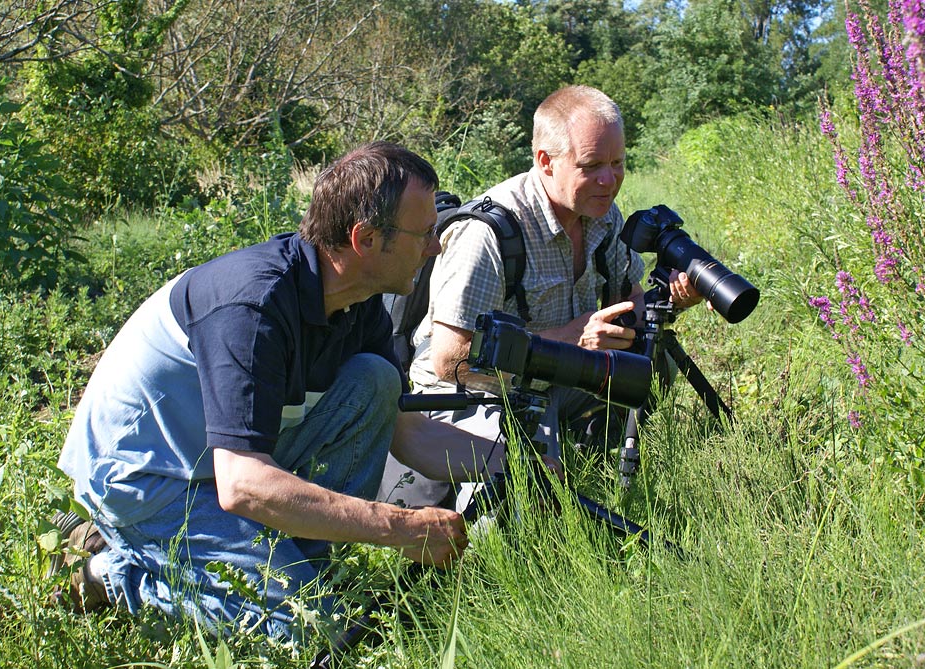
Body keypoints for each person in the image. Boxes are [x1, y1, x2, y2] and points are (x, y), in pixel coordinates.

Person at [53, 142, 511, 641]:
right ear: (365, 238)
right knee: (316, 632)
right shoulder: (253, 305)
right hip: (147, 482)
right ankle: (111, 572)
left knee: (375, 382)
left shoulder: (360, 303)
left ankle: (297, 567)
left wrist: (518, 466)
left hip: (221, 465)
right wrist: (399, 528)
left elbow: (406, 431)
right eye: (424, 233)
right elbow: (243, 482)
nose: (435, 247)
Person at [378, 85, 704, 510]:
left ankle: (592, 449)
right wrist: (570, 340)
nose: (610, 180)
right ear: (545, 162)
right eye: (592, 165)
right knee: (520, 508)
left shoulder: (601, 212)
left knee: (652, 356)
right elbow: (450, 360)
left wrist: (672, 299)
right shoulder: (487, 233)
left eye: (618, 163)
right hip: (479, 394)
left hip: (561, 379)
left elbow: (630, 300)